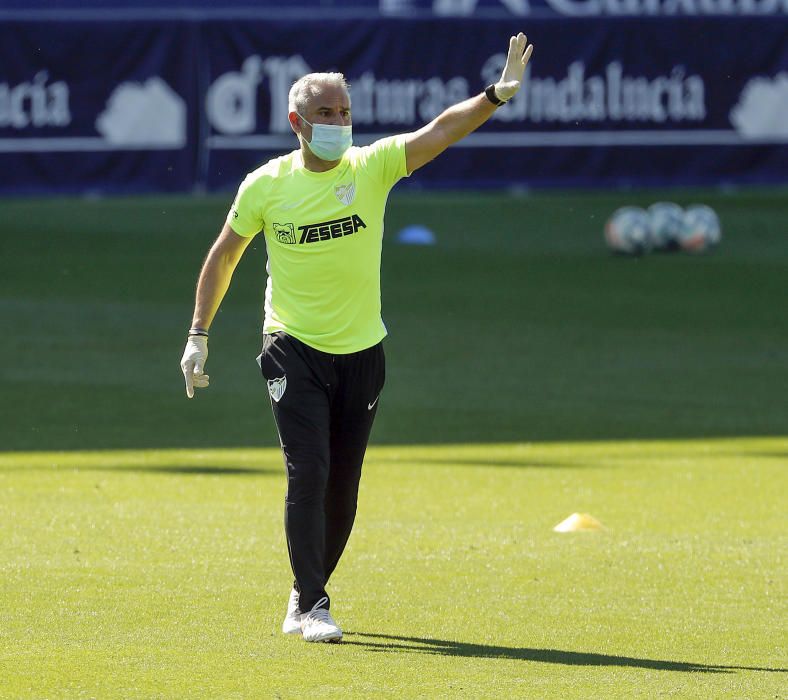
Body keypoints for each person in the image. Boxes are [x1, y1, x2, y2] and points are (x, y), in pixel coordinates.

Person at [180, 32, 534, 643]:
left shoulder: (370, 168)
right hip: (291, 346)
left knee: (343, 486)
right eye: (325, 114)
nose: (338, 122)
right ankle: (312, 604)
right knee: (309, 471)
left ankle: (304, 592)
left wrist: (494, 96)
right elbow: (224, 256)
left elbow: (439, 132)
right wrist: (198, 334)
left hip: (364, 352)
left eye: (344, 112)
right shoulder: (266, 185)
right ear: (296, 121)